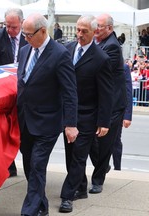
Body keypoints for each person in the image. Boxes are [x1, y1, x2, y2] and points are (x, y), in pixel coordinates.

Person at [17, 13, 78, 216]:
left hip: (48, 121)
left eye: (28, 35)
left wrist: (70, 124)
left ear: (43, 31)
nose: (25, 38)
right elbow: (22, 84)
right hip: (25, 120)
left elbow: (70, 92)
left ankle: (30, 211)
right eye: (23, 35)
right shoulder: (25, 51)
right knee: (28, 165)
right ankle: (42, 205)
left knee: (37, 164)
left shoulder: (60, 54)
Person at [58, 15, 114, 213]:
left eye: (84, 31)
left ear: (94, 32)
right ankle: (80, 187)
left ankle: (67, 196)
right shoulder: (68, 49)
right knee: (70, 154)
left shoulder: (101, 58)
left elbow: (106, 94)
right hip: (68, 114)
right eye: (78, 30)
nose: (79, 35)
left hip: (88, 116)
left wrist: (104, 122)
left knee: (79, 157)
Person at [89, 13, 127, 194]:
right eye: (95, 25)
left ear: (110, 29)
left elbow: (95, 69)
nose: (96, 29)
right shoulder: (99, 42)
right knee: (91, 141)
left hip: (112, 104)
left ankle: (98, 180)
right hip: (100, 101)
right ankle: (102, 167)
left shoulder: (111, 47)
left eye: (100, 26)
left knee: (104, 143)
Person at [0, 8, 27, 177]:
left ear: (22, 23)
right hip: (3, 89)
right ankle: (8, 164)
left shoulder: (29, 37)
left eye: (13, 27)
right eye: (7, 26)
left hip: (24, 89)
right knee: (4, 127)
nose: (10, 30)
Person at [111, 63, 132, 170]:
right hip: (100, 110)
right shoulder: (98, 62)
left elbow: (128, 91)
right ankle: (102, 166)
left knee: (115, 141)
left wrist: (127, 115)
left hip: (116, 110)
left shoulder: (123, 67)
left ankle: (117, 168)